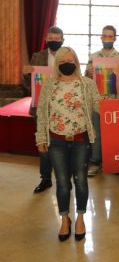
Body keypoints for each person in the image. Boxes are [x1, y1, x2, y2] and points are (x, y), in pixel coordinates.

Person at [35, 47, 101, 241]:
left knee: (81, 180)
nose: (67, 64)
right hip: (56, 141)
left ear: (76, 62)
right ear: (57, 65)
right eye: (62, 61)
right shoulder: (49, 85)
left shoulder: (87, 84)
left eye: (70, 60)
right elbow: (41, 113)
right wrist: (41, 138)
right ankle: (65, 219)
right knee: (62, 183)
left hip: (81, 141)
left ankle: (80, 217)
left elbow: (99, 105)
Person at [22, 26, 65, 194]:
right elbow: (28, 84)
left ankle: (64, 177)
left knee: (62, 143)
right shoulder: (37, 57)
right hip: (41, 107)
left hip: (63, 107)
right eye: (51, 38)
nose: (53, 41)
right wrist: (26, 74)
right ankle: (46, 177)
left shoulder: (68, 55)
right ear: (46, 39)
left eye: (57, 38)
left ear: (62, 39)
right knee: (43, 143)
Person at [84, 25, 119, 177]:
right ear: (101, 38)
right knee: (97, 132)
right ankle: (95, 161)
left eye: (110, 36)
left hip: (115, 100)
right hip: (97, 101)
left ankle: (115, 162)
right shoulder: (93, 57)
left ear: (115, 38)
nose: (107, 38)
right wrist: (88, 72)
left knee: (115, 132)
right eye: (105, 36)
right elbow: (86, 79)